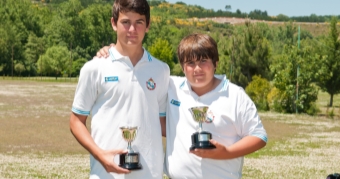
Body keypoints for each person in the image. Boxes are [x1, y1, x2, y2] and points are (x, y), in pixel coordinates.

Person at [96, 33, 267, 179]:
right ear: (183, 67)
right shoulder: (171, 87)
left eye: (203, 61)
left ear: (216, 63)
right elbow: (138, 73)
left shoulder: (235, 95)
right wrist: (117, 51)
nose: (197, 68)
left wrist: (226, 153)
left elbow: (259, 136)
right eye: (190, 63)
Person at [69, 0, 170, 178]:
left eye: (139, 22)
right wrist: (101, 156)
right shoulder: (94, 68)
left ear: (148, 25)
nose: (132, 30)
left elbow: (164, 123)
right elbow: (76, 121)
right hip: (106, 174)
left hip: (150, 174)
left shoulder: (162, 70)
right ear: (114, 23)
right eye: (125, 22)